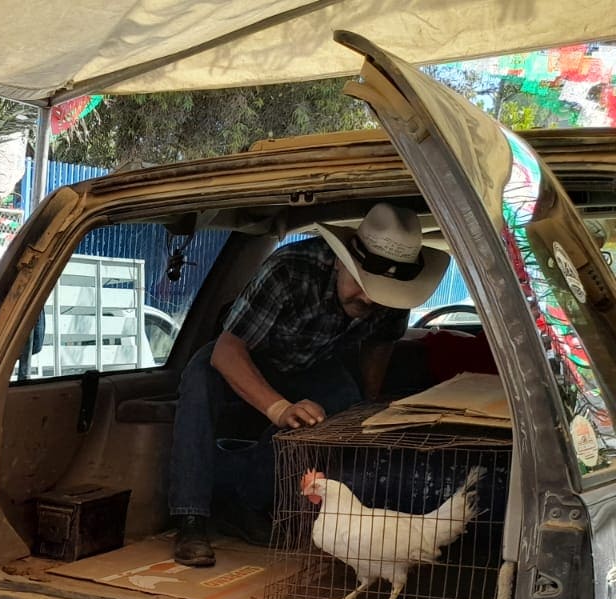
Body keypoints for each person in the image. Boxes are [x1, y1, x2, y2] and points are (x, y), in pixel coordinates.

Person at [170, 203, 450, 567]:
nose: (368, 299)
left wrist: (370, 400)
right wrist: (279, 408)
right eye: (361, 286)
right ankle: (190, 519)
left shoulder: (391, 296)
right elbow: (227, 352)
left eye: (378, 292)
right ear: (339, 261)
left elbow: (379, 344)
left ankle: (243, 502)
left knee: (344, 400)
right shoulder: (289, 271)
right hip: (249, 353)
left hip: (312, 363)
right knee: (198, 381)